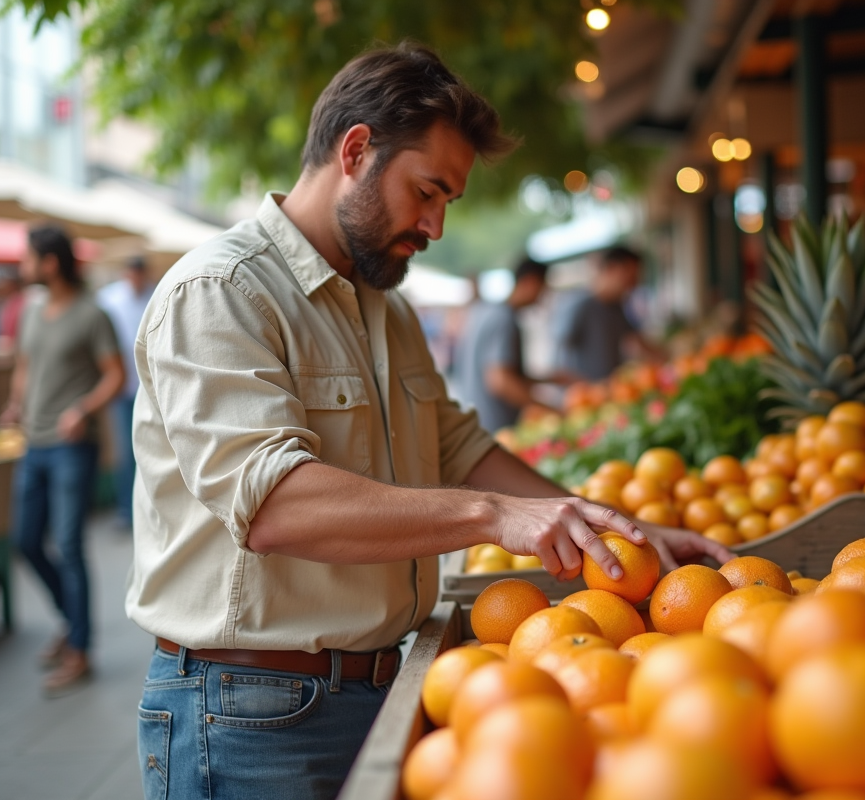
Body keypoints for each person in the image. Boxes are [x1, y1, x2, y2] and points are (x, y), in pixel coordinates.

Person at [126, 43, 731, 800]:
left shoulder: (388, 308)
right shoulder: (222, 292)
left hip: (385, 691)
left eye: (449, 202)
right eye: (427, 191)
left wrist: (614, 527)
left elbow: (456, 444)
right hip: (250, 714)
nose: (437, 226)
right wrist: (494, 517)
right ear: (355, 152)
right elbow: (275, 504)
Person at [1, 225, 125, 696]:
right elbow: (25, 366)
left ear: (50, 263)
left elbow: (115, 376)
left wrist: (82, 410)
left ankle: (80, 649)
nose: (22, 266)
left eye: (28, 258)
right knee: (26, 540)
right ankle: (70, 620)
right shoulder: (32, 311)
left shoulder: (92, 315)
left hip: (73, 445)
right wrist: (16, 404)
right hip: (33, 445)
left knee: (70, 545)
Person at [455, 257, 553, 432]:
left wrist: (550, 379)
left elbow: (502, 371)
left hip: (477, 426)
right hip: (498, 429)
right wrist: (550, 410)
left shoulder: (482, 313)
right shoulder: (504, 318)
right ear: (531, 282)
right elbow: (501, 382)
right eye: (543, 289)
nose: (542, 297)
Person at [97, 254, 155, 529]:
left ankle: (149, 508)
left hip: (149, 387)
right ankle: (126, 510)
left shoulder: (153, 294)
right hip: (122, 389)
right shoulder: (109, 300)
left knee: (150, 448)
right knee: (125, 451)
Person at [553, 245, 660, 382]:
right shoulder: (581, 306)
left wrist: (667, 356)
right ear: (611, 268)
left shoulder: (617, 307)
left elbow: (636, 339)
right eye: (630, 276)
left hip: (610, 391)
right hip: (585, 396)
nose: (634, 284)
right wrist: (579, 385)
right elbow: (560, 356)